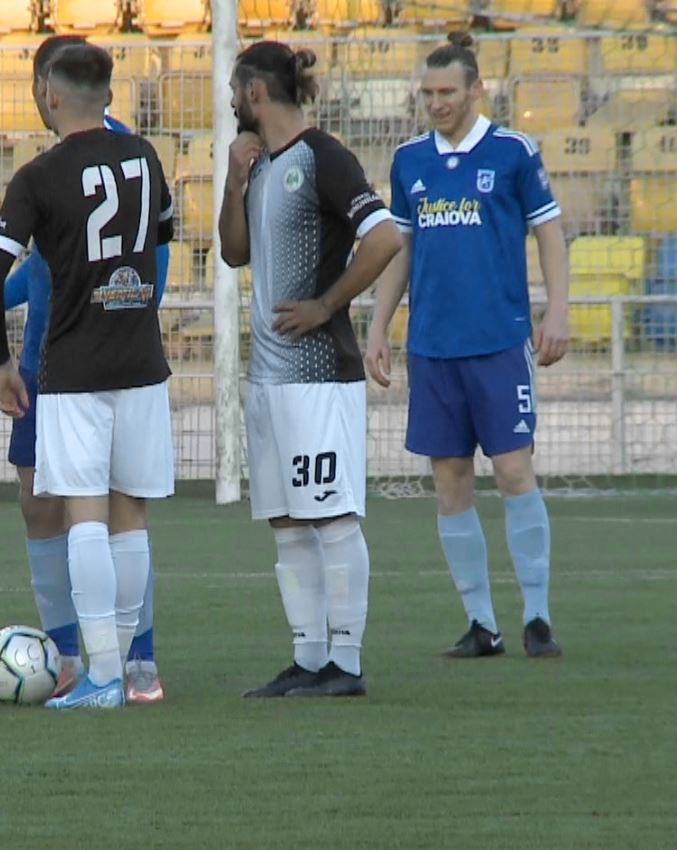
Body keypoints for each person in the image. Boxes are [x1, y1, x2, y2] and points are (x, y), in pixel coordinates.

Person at [0, 34, 169, 704]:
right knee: (128, 512)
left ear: (48, 93)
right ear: (108, 92)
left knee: (84, 516)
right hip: (140, 362)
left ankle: (100, 671)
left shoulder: (40, 177)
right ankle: (137, 674)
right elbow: (157, 249)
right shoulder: (146, 157)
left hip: (70, 366)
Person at [365, 32, 570, 659]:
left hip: (498, 342)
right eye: (427, 93)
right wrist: (378, 325)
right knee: (449, 481)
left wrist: (557, 310)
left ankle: (537, 614)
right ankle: (483, 624)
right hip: (432, 347)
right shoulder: (409, 162)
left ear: (476, 89)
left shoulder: (513, 152)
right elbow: (400, 250)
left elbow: (550, 232)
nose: (436, 103)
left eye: (447, 92)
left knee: (512, 470)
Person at [217, 43, 402, 699]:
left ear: (255, 92)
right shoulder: (259, 164)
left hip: (321, 374)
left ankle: (346, 665)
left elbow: (385, 237)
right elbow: (234, 251)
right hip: (270, 379)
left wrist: (328, 303)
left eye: (235, 91)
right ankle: (308, 656)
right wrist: (236, 184)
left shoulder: (324, 157)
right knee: (288, 521)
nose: (232, 102)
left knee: (331, 516)